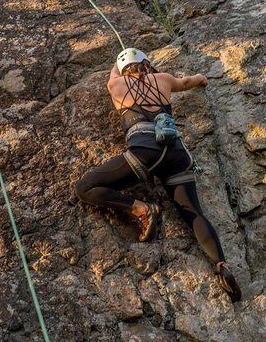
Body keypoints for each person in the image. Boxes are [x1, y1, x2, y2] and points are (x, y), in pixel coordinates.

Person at [75, 48, 242, 302]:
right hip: (176, 155)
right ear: (147, 64)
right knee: (193, 213)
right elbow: (189, 82)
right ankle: (221, 266)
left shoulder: (116, 84)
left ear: (122, 71)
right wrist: (201, 79)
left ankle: (141, 210)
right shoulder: (163, 79)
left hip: (144, 152)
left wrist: (117, 64)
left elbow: (112, 76)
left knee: (84, 187)